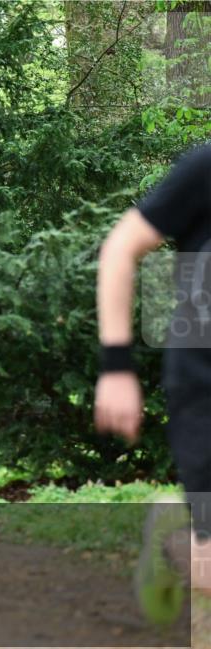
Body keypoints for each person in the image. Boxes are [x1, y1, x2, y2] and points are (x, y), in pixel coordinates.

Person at [93, 143, 211, 623]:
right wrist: (116, 366)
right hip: (205, 388)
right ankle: (174, 545)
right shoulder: (205, 169)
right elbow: (122, 247)